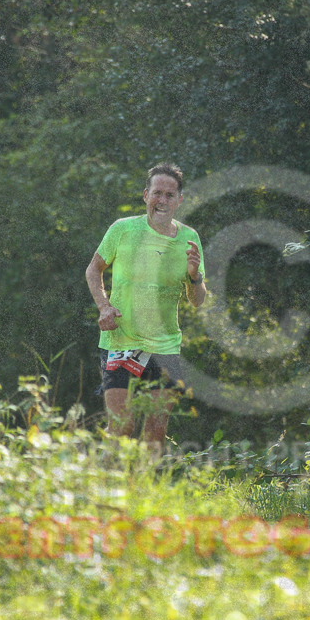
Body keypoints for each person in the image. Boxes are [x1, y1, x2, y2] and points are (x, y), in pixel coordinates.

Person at [85, 163, 206, 450]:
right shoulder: (123, 229)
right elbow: (93, 270)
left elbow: (197, 300)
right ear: (145, 195)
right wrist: (104, 306)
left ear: (179, 200)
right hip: (121, 339)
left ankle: (143, 491)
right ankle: (103, 488)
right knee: (122, 425)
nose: (162, 200)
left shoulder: (189, 239)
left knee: (155, 430)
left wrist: (194, 276)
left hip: (165, 346)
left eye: (169, 195)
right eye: (157, 193)